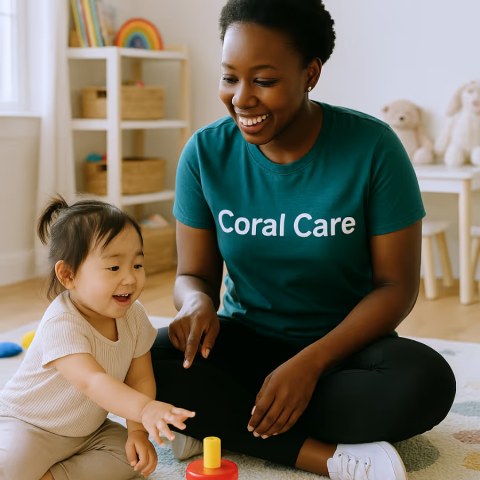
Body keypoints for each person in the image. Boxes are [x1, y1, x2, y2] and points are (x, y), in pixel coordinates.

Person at [151, 0, 456, 479]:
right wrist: (194, 305)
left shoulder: (373, 148)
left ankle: (217, 419)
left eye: (264, 81)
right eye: (230, 77)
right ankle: (325, 456)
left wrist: (309, 365)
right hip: (245, 343)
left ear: (310, 74)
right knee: (144, 359)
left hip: (342, 353)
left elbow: (396, 287)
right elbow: (194, 275)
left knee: (426, 381)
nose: (241, 99)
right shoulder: (205, 153)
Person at [0, 197, 195, 480]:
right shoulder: (61, 322)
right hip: (29, 426)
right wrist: (147, 409)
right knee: (10, 469)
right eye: (114, 268)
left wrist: (137, 431)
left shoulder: (134, 316)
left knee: (130, 459)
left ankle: (54, 476)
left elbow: (139, 378)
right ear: (68, 275)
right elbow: (93, 381)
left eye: (137, 265)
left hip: (86, 432)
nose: (130, 278)